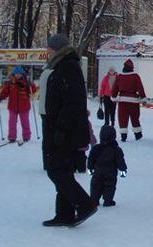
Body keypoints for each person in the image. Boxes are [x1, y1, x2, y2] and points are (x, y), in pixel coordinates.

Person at [41, 34, 97, 227]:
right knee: (62, 169)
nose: (46, 52)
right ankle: (64, 214)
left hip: (66, 130)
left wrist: (61, 129)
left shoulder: (68, 67)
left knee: (56, 170)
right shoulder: (62, 66)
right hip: (61, 127)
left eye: (48, 48)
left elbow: (72, 103)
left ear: (56, 49)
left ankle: (85, 204)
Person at [88, 126, 127, 207]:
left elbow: (91, 159)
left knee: (96, 185)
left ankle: (94, 200)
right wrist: (123, 169)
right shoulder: (116, 149)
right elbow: (120, 161)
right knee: (110, 186)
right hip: (111, 172)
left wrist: (90, 167)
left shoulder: (97, 148)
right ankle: (108, 200)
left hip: (98, 171)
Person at [111, 59, 147, 142]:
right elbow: (140, 88)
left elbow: (115, 88)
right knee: (135, 117)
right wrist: (143, 98)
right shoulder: (135, 76)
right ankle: (138, 134)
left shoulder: (119, 76)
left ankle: (123, 135)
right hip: (133, 100)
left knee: (122, 118)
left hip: (122, 100)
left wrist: (113, 97)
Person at [0, 66, 36, 142]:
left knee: (25, 122)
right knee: (12, 122)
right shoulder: (10, 83)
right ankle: (12, 137)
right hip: (13, 106)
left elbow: (32, 91)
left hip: (24, 106)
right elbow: (5, 91)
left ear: (22, 74)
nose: (18, 75)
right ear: (14, 74)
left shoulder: (26, 82)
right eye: (16, 74)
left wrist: (31, 85)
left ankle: (26, 136)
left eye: (19, 74)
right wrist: (0, 97)